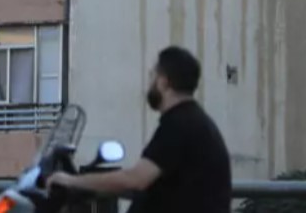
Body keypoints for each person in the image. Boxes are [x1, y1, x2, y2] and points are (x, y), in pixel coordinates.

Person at [47, 46, 232, 212]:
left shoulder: (180, 125)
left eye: (153, 75)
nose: (150, 82)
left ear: (164, 82)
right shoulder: (194, 122)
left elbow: (135, 179)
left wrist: (71, 181)